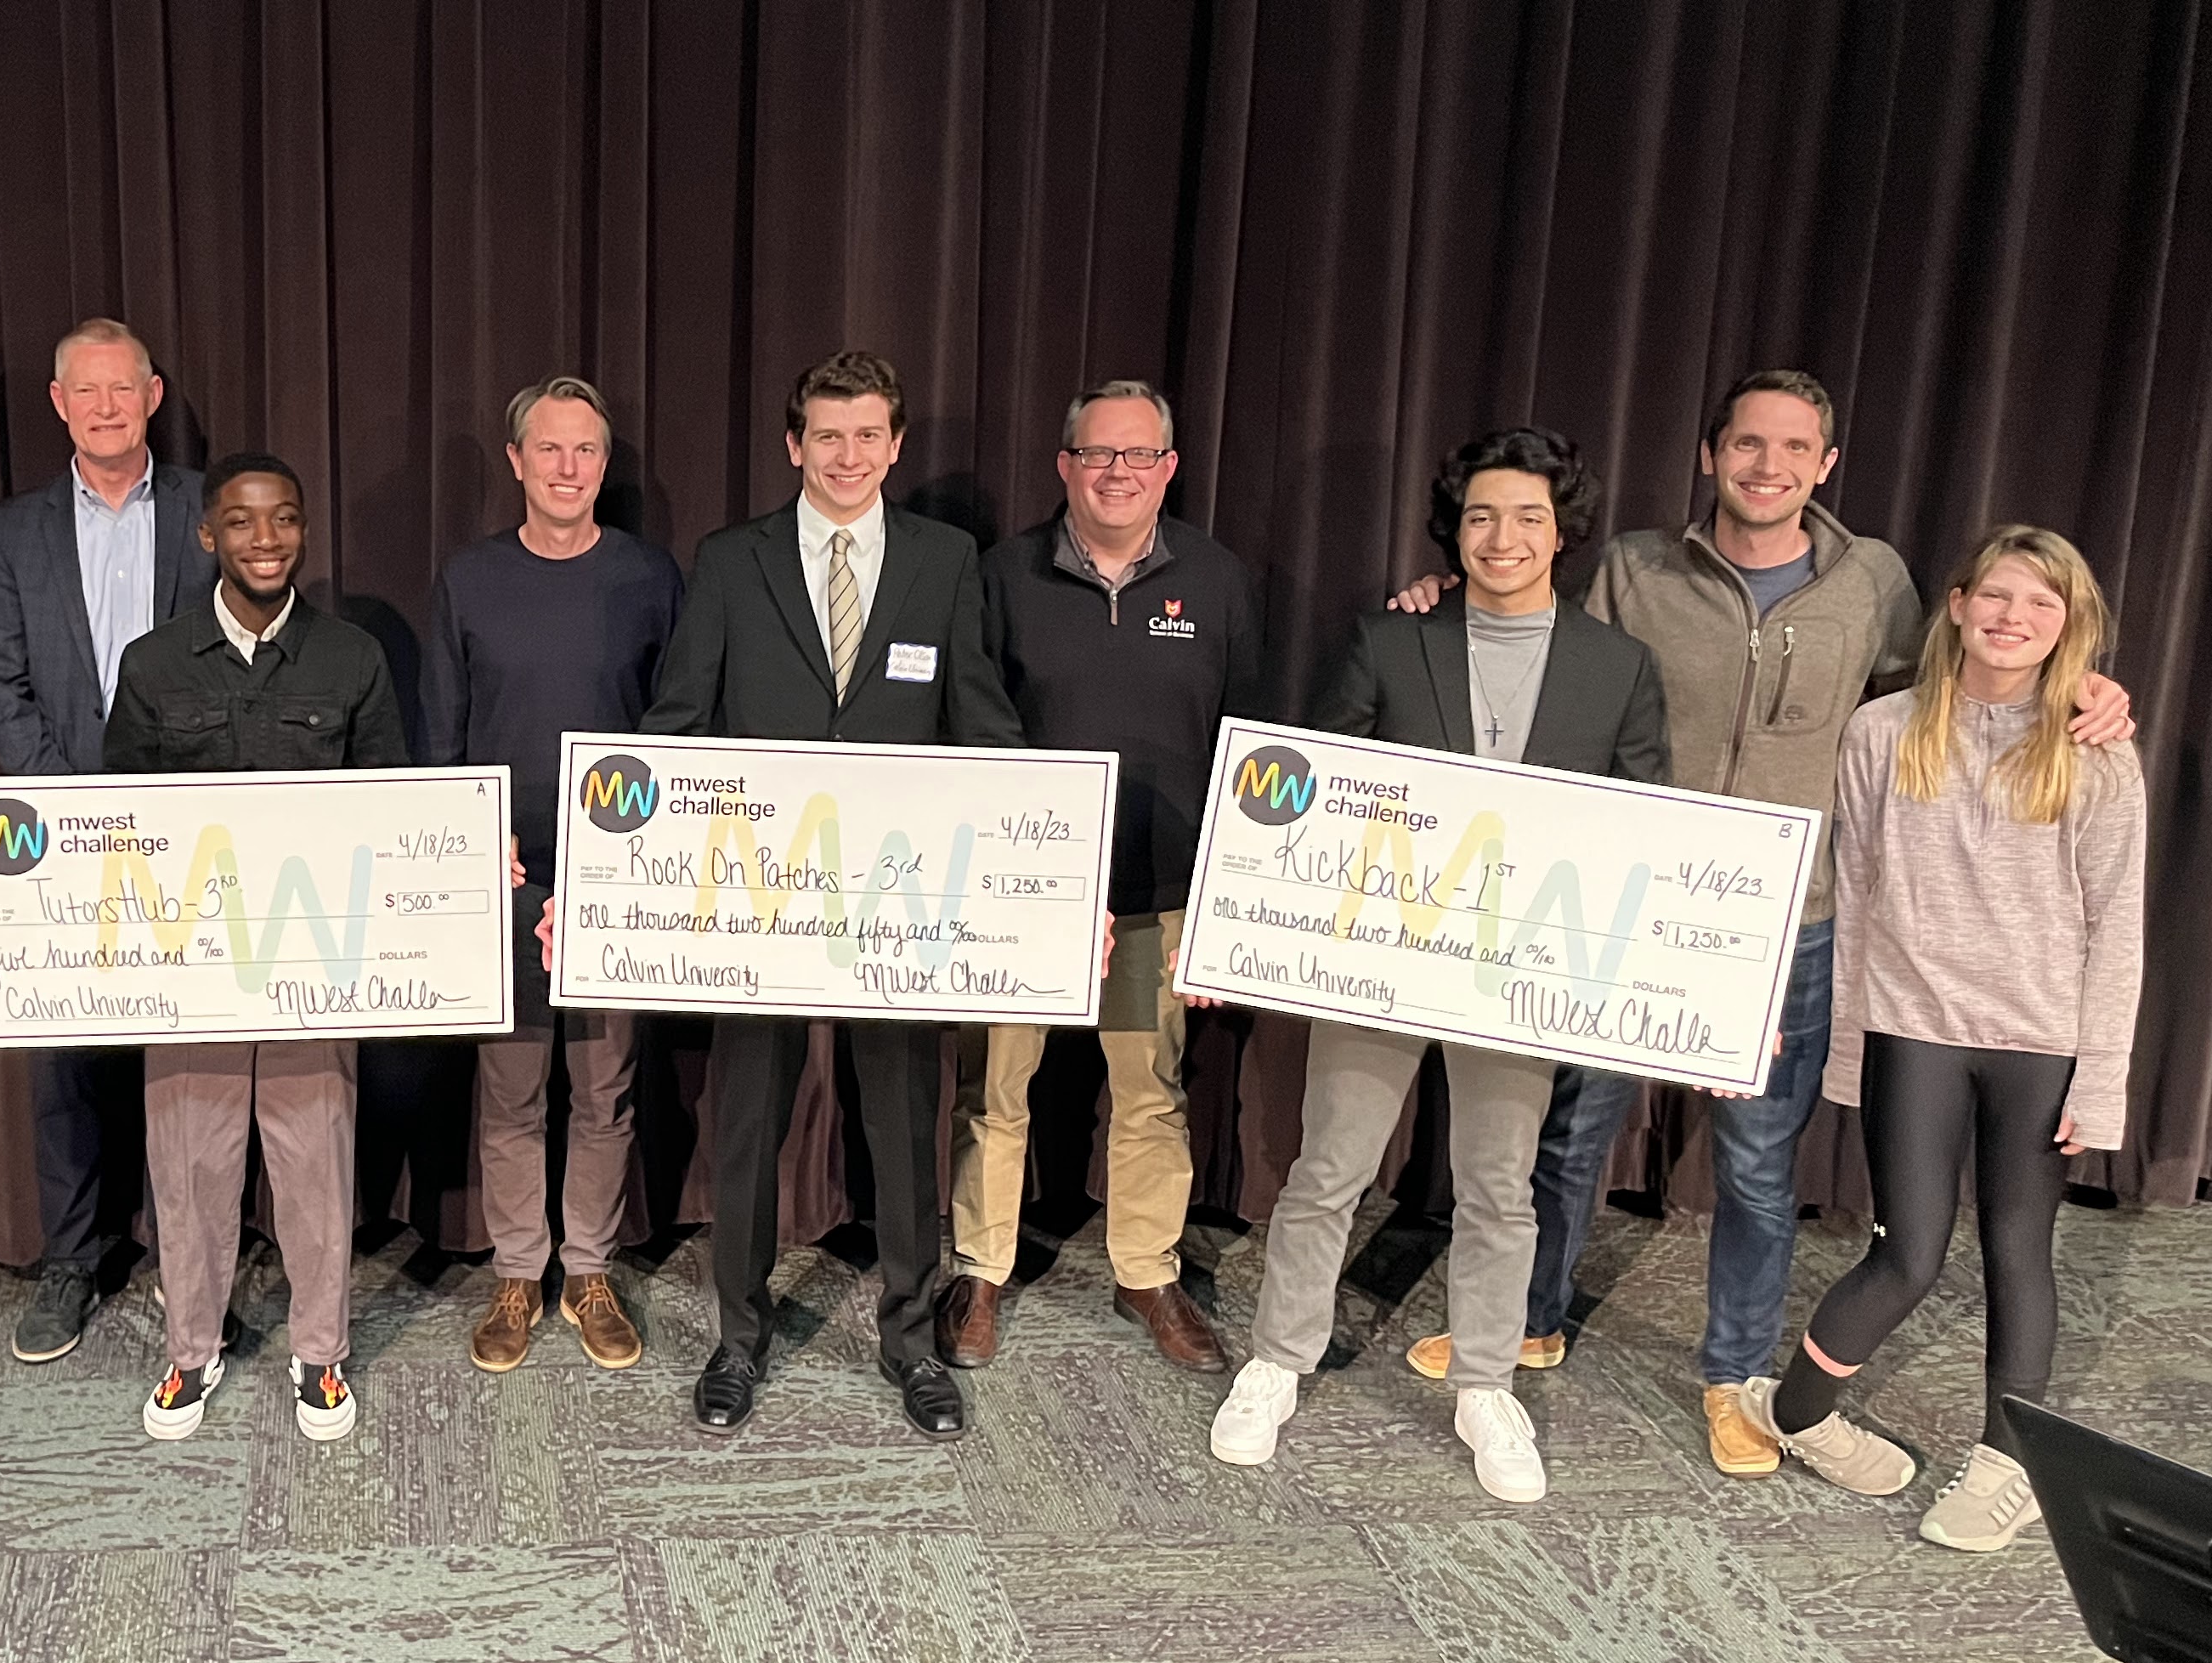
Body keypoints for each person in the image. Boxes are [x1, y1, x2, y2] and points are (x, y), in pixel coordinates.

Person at [1383, 371, 2128, 1476]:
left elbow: (1955, 683)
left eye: (1793, 448)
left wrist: (2083, 690)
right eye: (1746, 444)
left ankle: (1734, 1377)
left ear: (1825, 465)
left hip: (1792, 920)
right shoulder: (1637, 568)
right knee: (1572, 1135)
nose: (1767, 466)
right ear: (1710, 454)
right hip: (1627, 905)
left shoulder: (1872, 581)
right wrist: (1443, 603)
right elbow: (1547, 654)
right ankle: (1527, 1320)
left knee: (1758, 1165)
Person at [1212, 427, 1667, 1506]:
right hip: (1385, 956)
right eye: (1481, 516)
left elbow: (1643, 825)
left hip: (1520, 967)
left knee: (1500, 1187)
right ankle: (1277, 1361)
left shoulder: (1618, 668)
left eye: (1527, 517)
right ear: (1453, 532)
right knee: (1329, 1167)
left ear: (1563, 533)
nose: (1503, 537)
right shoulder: (1390, 640)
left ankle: (1484, 1383)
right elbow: (1316, 792)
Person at [626, 349, 1025, 1440]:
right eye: (828, 436)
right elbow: (678, 724)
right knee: (747, 1122)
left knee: (903, 1125)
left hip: (899, 904)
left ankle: (911, 1341)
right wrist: (622, 870)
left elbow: (982, 724)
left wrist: (1044, 882)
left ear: (896, 446)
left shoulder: (946, 560)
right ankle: (738, 1337)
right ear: (794, 444)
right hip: (761, 899)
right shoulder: (731, 559)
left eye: (869, 436)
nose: (848, 456)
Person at [1754, 528, 2146, 1553]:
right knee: (1907, 1254)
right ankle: (1795, 1413)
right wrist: (1852, 1046)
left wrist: (2098, 1084)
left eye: (2043, 604)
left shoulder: (2097, 751)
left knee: (2019, 1249)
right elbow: (1860, 895)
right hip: (1912, 1028)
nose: (2015, 618)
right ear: (1961, 604)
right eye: (1999, 596)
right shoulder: (1883, 732)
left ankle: (2007, 1464)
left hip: (2039, 1042)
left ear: (2070, 627)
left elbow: (2118, 928)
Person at [946, 379, 1260, 1376]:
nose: (1116, 472)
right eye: (1096, 454)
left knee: (1151, 1094)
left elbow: (1249, 747)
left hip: (1158, 893)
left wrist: (1221, 901)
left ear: (1169, 468)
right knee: (995, 1093)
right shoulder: (1002, 575)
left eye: (1138, 455)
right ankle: (980, 1270)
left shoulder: (1217, 580)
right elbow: (972, 725)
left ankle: (1147, 1272)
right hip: (1022, 896)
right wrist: (1024, 871)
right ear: (1064, 465)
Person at [104, 453, 408, 1445]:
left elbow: (395, 807)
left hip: (311, 964)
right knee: (190, 1163)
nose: (265, 539)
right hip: (190, 971)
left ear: (304, 530)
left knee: (315, 1161)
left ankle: (320, 1351)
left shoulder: (353, 658)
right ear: (208, 535)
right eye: (241, 521)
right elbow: (111, 824)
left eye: (283, 519)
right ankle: (191, 1349)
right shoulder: (153, 664)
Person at [424, 376, 681, 1376]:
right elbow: (442, 733)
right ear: (516, 461)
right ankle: (517, 1274)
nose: (568, 468)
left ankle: (589, 1272)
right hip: (508, 877)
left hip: (616, 881)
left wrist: (632, 863)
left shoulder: (649, 577)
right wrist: (469, 847)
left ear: (604, 466)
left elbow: (677, 732)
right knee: (512, 1091)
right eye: (549, 449)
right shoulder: (469, 578)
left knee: (605, 1090)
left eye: (586, 451)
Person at [0, 320, 216, 1362]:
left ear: (152, 396)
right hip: (60, 832)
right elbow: (0, 680)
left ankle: (186, 1258)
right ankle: (72, 1260)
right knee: (65, 1059)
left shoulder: (211, 509)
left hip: (185, 827)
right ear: (58, 402)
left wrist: (165, 804)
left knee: (189, 1058)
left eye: (124, 389)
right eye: (87, 391)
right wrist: (72, 809)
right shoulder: (9, 533)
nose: (107, 408)